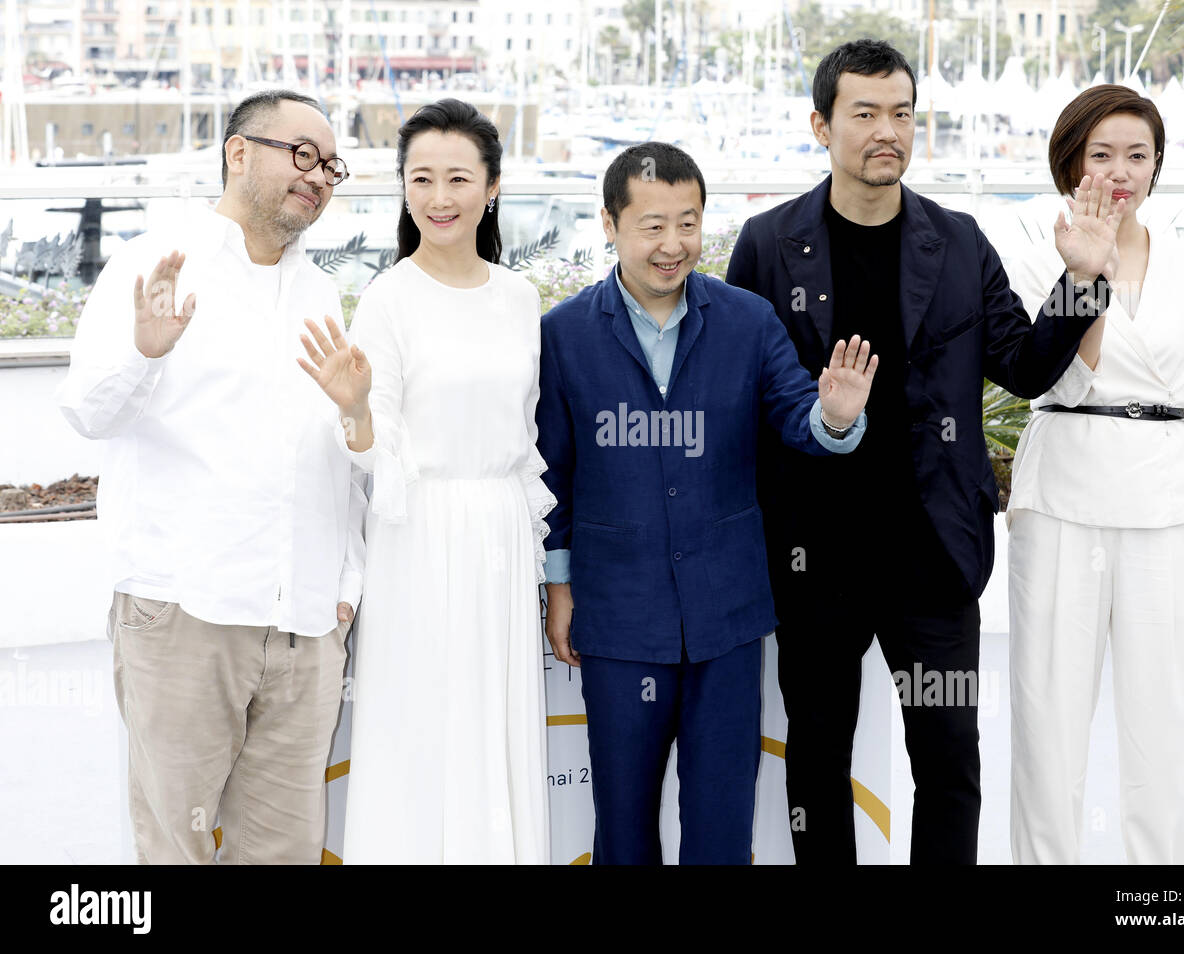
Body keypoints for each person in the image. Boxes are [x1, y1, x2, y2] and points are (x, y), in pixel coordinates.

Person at [726, 38, 1122, 864]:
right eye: (863, 113)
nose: (886, 132)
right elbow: (738, 403)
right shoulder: (767, 245)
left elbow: (1022, 365)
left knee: (948, 765)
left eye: (901, 113)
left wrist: (1082, 281)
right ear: (820, 124)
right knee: (817, 759)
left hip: (933, 556)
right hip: (813, 558)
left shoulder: (959, 241)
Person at [536, 142, 878, 865]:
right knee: (622, 829)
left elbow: (800, 421)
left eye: (687, 224)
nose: (673, 245)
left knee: (722, 826)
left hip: (726, 613)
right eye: (652, 225)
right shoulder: (563, 334)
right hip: (617, 612)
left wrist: (838, 416)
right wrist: (559, 583)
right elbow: (553, 473)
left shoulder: (747, 321)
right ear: (609, 223)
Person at [57, 90, 365, 864]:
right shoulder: (154, 263)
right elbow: (88, 413)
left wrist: (347, 585)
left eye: (330, 165)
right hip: (185, 611)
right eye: (302, 155)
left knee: (286, 852)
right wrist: (145, 350)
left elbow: (330, 452)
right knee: (175, 850)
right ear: (237, 152)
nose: (318, 177)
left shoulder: (320, 290)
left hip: (303, 625)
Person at [297, 100, 555, 864]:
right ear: (403, 189)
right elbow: (376, 452)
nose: (439, 198)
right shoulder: (388, 298)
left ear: (492, 188)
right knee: (420, 729)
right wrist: (354, 411)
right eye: (421, 179)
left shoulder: (519, 298)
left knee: (494, 729)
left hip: (503, 539)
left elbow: (531, 438)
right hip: (419, 540)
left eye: (457, 179)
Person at [1004, 86, 1184, 865]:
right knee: (1049, 717)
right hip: (1064, 493)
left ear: (1157, 165)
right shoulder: (1034, 249)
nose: (1119, 172)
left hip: (1164, 504)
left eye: (1137, 156)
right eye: (1101, 155)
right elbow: (1076, 369)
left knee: (1163, 719)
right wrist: (1092, 265)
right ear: (1071, 159)